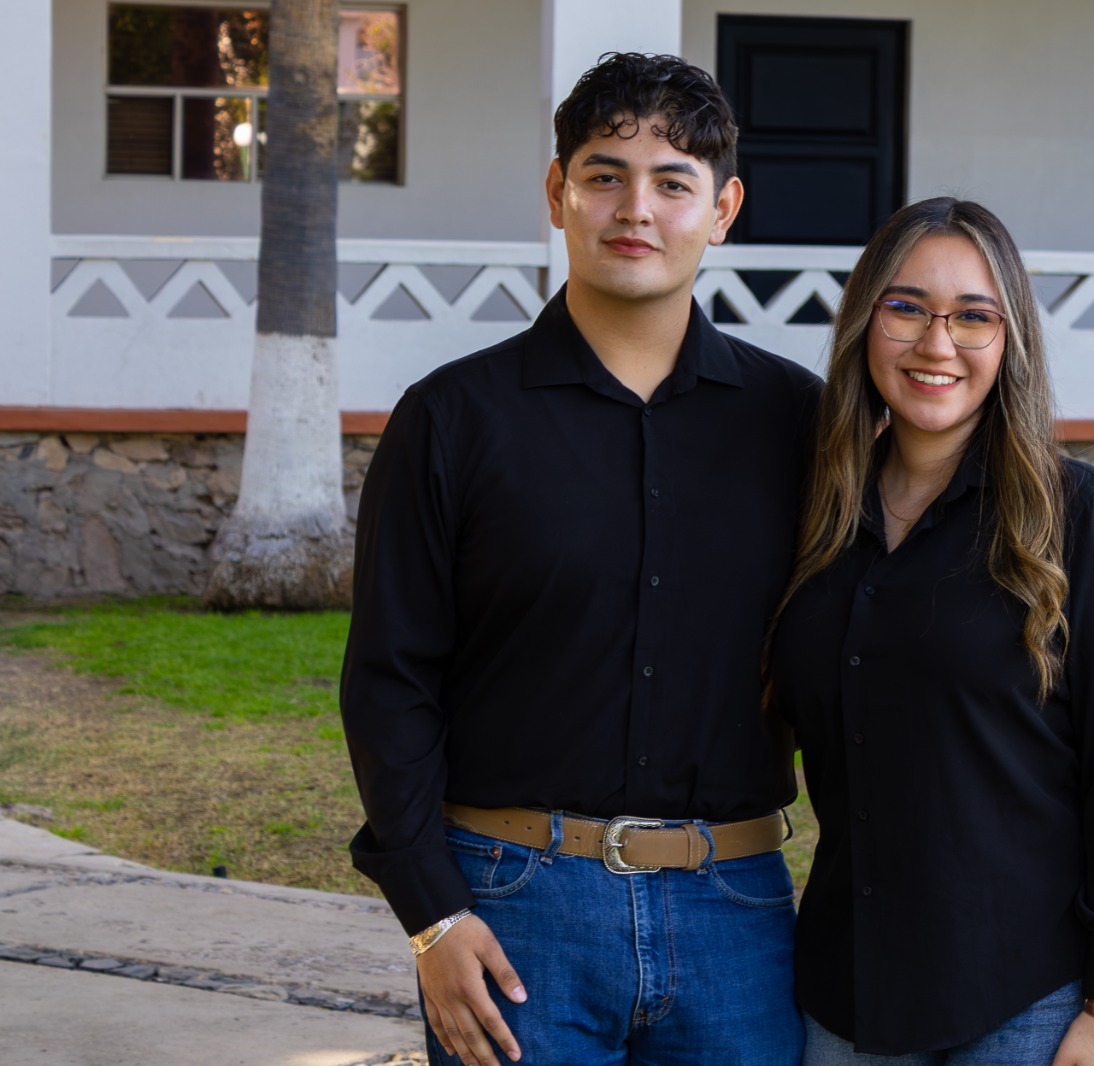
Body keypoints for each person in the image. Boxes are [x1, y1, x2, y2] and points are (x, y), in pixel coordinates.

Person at [341, 53, 818, 1066]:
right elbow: (389, 682)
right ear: (558, 193)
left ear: (723, 208)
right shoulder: (451, 420)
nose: (634, 208)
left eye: (673, 183)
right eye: (604, 175)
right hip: (515, 908)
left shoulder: (803, 425)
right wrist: (432, 916)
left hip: (737, 912)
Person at [766, 197, 1094, 1065]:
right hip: (845, 997)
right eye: (906, 307)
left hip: (1020, 1004)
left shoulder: (1087, 521)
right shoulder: (817, 519)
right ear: (864, 322)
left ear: (1010, 338)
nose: (935, 343)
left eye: (973, 317)